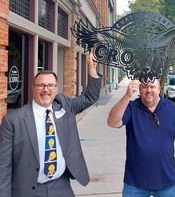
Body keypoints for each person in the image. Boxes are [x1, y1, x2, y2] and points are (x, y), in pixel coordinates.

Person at [0, 53, 102, 197]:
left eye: (50, 85)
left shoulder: (65, 106)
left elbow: (90, 97)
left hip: (61, 186)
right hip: (28, 190)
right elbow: (3, 166)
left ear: (56, 88)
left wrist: (91, 69)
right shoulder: (13, 120)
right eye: (41, 85)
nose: (46, 89)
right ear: (33, 88)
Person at [107, 78, 175, 196]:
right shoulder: (131, 107)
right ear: (139, 90)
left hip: (167, 182)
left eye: (152, 87)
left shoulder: (172, 108)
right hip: (135, 184)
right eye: (144, 87)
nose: (148, 90)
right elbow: (112, 122)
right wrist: (127, 96)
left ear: (159, 89)